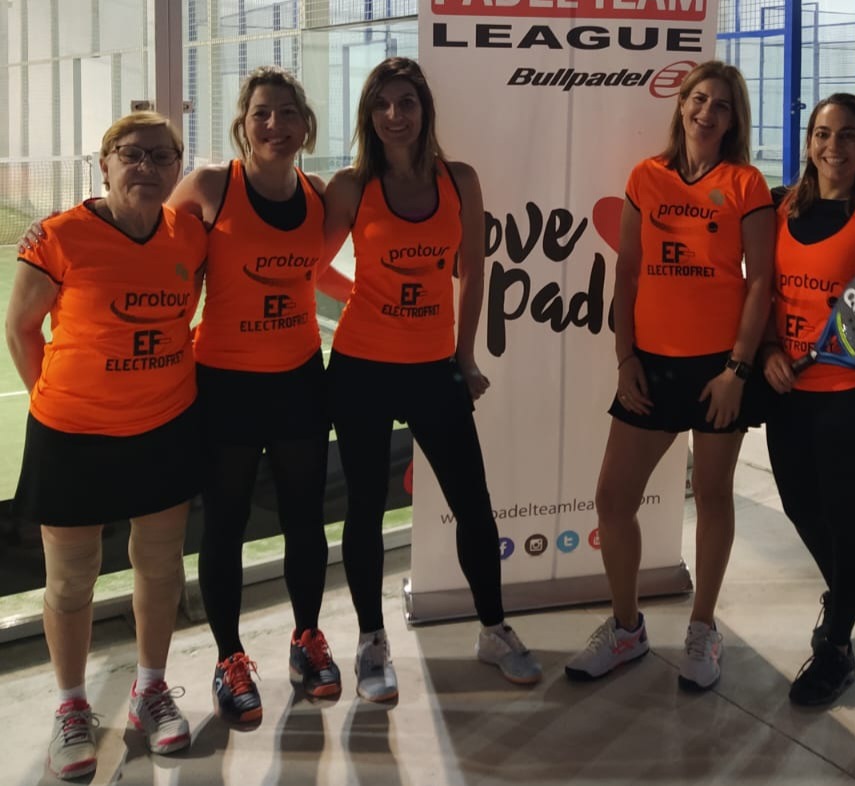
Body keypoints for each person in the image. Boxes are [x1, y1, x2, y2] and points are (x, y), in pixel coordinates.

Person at [321, 56, 541, 700]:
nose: (395, 115)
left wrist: (464, 356)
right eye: (382, 104)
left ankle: (493, 629)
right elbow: (309, 267)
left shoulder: (459, 179)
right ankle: (371, 642)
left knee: (473, 503)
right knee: (364, 508)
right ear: (368, 114)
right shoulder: (351, 186)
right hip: (361, 368)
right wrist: (363, 296)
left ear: (425, 110)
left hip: (432, 367)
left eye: (407, 102)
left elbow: (473, 270)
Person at [6, 112, 206, 779]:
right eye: (132, 153)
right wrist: (54, 400)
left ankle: (151, 690)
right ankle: (71, 707)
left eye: (162, 155)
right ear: (105, 164)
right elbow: (21, 329)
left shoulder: (189, 235)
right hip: (72, 436)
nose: (147, 166)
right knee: (70, 580)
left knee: (160, 567)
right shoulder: (60, 237)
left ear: (177, 167)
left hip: (165, 424)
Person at [564, 60, 774, 691]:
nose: (707, 113)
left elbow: (760, 282)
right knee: (612, 499)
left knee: (712, 496)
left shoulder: (746, 183)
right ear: (681, 105)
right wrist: (625, 358)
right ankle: (627, 628)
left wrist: (737, 369)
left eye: (722, 105)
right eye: (698, 99)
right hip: (651, 366)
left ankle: (703, 628)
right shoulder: (646, 177)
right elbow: (627, 271)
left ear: (734, 120)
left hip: (719, 371)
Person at [170, 67, 349, 722]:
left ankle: (308, 639)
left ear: (306, 125)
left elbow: (315, 271)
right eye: (261, 114)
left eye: (288, 113)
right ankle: (230, 658)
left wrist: (369, 299)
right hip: (225, 384)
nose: (275, 125)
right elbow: (165, 266)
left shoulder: (320, 195)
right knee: (226, 523)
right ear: (242, 124)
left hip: (299, 379)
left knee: (306, 518)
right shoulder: (211, 186)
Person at [759, 93, 855, 706]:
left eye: (848, 136)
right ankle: (850, 592)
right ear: (809, 143)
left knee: (846, 516)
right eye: (823, 134)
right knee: (800, 507)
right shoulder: (778, 207)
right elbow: (760, 291)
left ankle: (838, 645)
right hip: (788, 390)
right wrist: (769, 348)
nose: (833, 147)